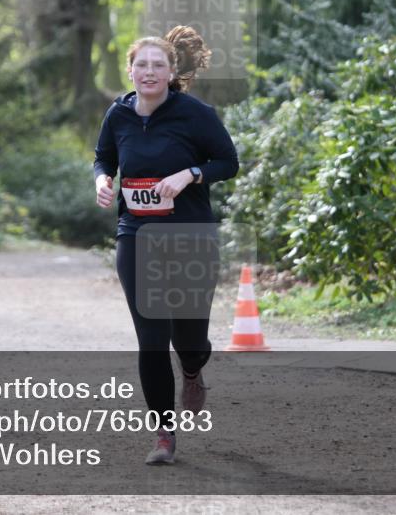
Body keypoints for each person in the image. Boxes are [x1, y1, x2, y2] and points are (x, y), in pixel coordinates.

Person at [94, 25, 239, 464]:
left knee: (189, 336)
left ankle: (193, 367)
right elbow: (104, 157)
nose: (150, 71)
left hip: (190, 234)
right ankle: (163, 434)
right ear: (131, 70)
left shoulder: (195, 114)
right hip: (136, 233)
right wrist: (102, 179)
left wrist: (190, 174)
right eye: (142, 64)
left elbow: (227, 162)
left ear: (171, 71)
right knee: (151, 337)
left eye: (159, 65)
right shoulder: (118, 114)